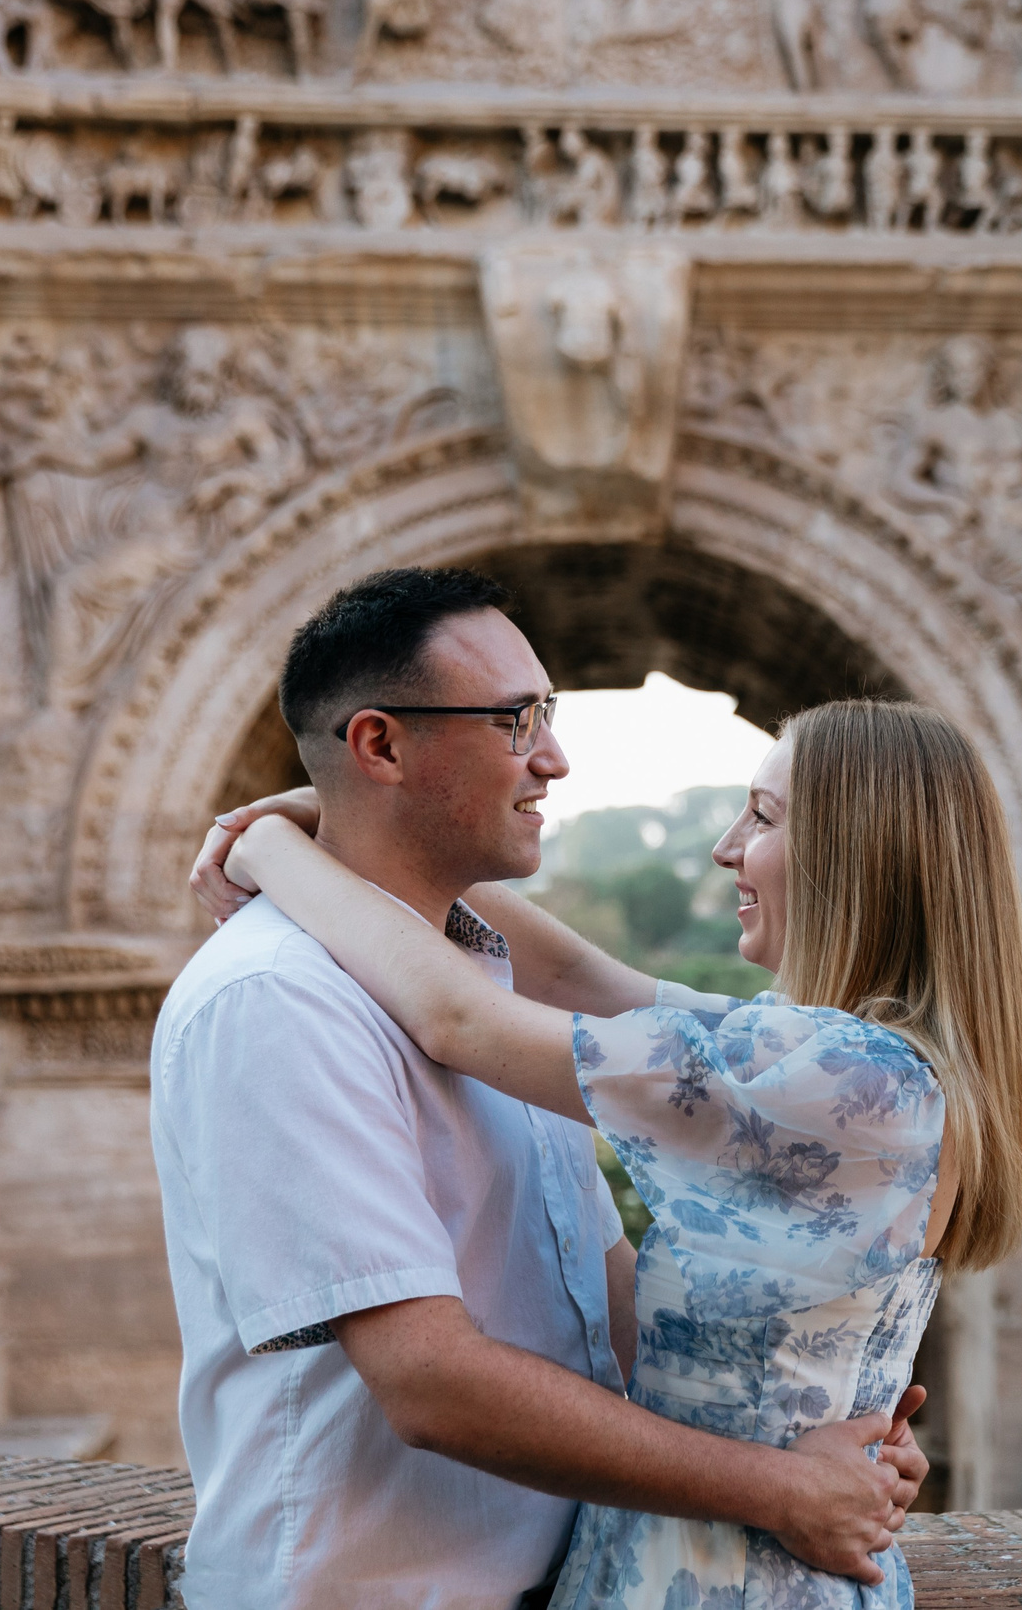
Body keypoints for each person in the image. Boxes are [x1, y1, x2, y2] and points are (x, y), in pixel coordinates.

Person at [154, 567, 929, 1609]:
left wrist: (815, 1420)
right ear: (378, 746)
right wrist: (786, 1479)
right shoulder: (279, 1000)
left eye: (548, 714)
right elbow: (429, 1383)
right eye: (518, 721)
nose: (554, 759)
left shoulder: (505, 996)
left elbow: (605, 1301)